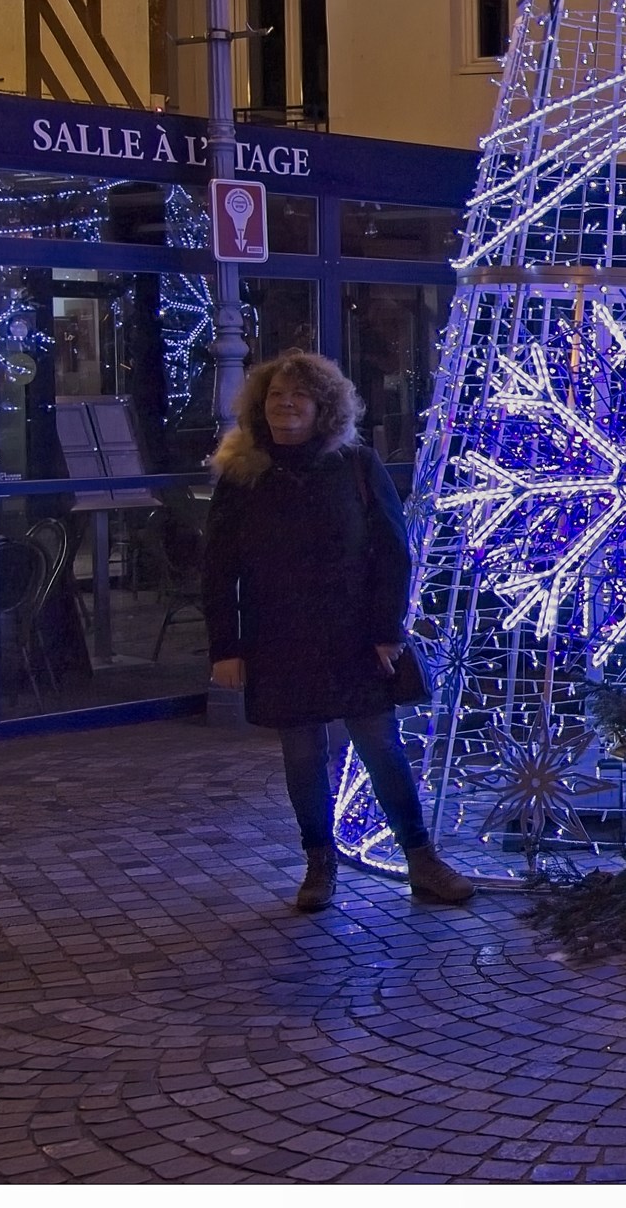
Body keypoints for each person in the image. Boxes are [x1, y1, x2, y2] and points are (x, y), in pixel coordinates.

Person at [205, 350, 475, 911]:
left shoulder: (355, 463)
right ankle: (318, 864)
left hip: (354, 634)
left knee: (380, 744)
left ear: (322, 408)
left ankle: (421, 858)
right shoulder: (244, 473)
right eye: (276, 396)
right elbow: (217, 565)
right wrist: (225, 647)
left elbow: (392, 551)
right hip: (277, 634)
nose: (285, 405)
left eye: (297, 397)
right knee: (302, 752)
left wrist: (386, 632)